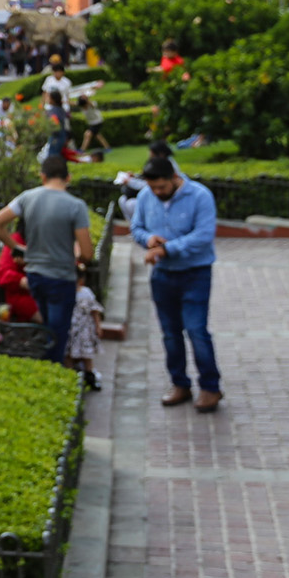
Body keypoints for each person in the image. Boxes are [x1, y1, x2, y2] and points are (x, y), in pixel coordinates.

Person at [130, 157, 221, 412]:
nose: (157, 192)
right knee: (170, 333)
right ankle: (179, 383)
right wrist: (148, 240)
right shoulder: (146, 196)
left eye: (161, 187)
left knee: (196, 330)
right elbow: (136, 228)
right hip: (162, 276)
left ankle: (210, 387)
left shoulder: (200, 196)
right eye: (152, 188)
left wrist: (166, 249)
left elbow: (203, 236)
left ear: (173, 178)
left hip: (195, 274)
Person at [0, 156, 95, 365]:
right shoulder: (76, 206)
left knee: (48, 329)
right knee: (58, 334)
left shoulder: (27, 197)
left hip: (35, 277)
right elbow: (88, 254)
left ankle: (46, 367)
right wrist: (77, 257)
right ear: (68, 178)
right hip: (61, 278)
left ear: (42, 176)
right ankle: (54, 371)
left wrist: (16, 248)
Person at [70, 276, 104, 391]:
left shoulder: (86, 293)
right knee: (69, 355)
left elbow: (95, 311)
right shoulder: (65, 292)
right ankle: (71, 380)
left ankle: (90, 379)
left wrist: (98, 327)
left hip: (84, 330)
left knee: (87, 356)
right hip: (71, 330)